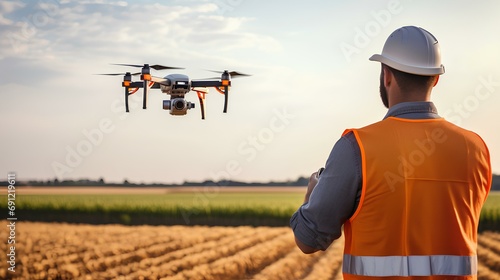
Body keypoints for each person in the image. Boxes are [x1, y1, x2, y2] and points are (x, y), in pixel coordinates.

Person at [290, 26, 492, 279]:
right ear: (436, 78)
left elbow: (308, 240)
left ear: (386, 75)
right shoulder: (476, 149)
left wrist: (311, 196)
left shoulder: (356, 147)